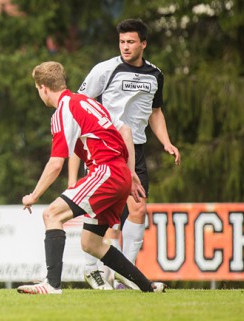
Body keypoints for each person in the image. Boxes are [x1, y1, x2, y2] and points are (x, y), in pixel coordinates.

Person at [16, 61, 165, 295]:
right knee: (91, 243)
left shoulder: (63, 110)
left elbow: (56, 164)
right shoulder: (86, 102)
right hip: (121, 174)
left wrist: (33, 196)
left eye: (37, 89)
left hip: (105, 172)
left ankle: (52, 284)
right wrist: (132, 172)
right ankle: (148, 287)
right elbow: (125, 130)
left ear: (43, 87)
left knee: (51, 214)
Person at [74, 18, 181, 290]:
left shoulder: (155, 75)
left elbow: (156, 112)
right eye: (122, 42)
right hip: (106, 148)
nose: (125, 46)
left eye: (131, 41)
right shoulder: (105, 70)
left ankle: (126, 277)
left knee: (138, 208)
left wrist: (167, 142)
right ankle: (92, 269)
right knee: (101, 212)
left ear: (143, 44)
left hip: (138, 150)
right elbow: (79, 104)